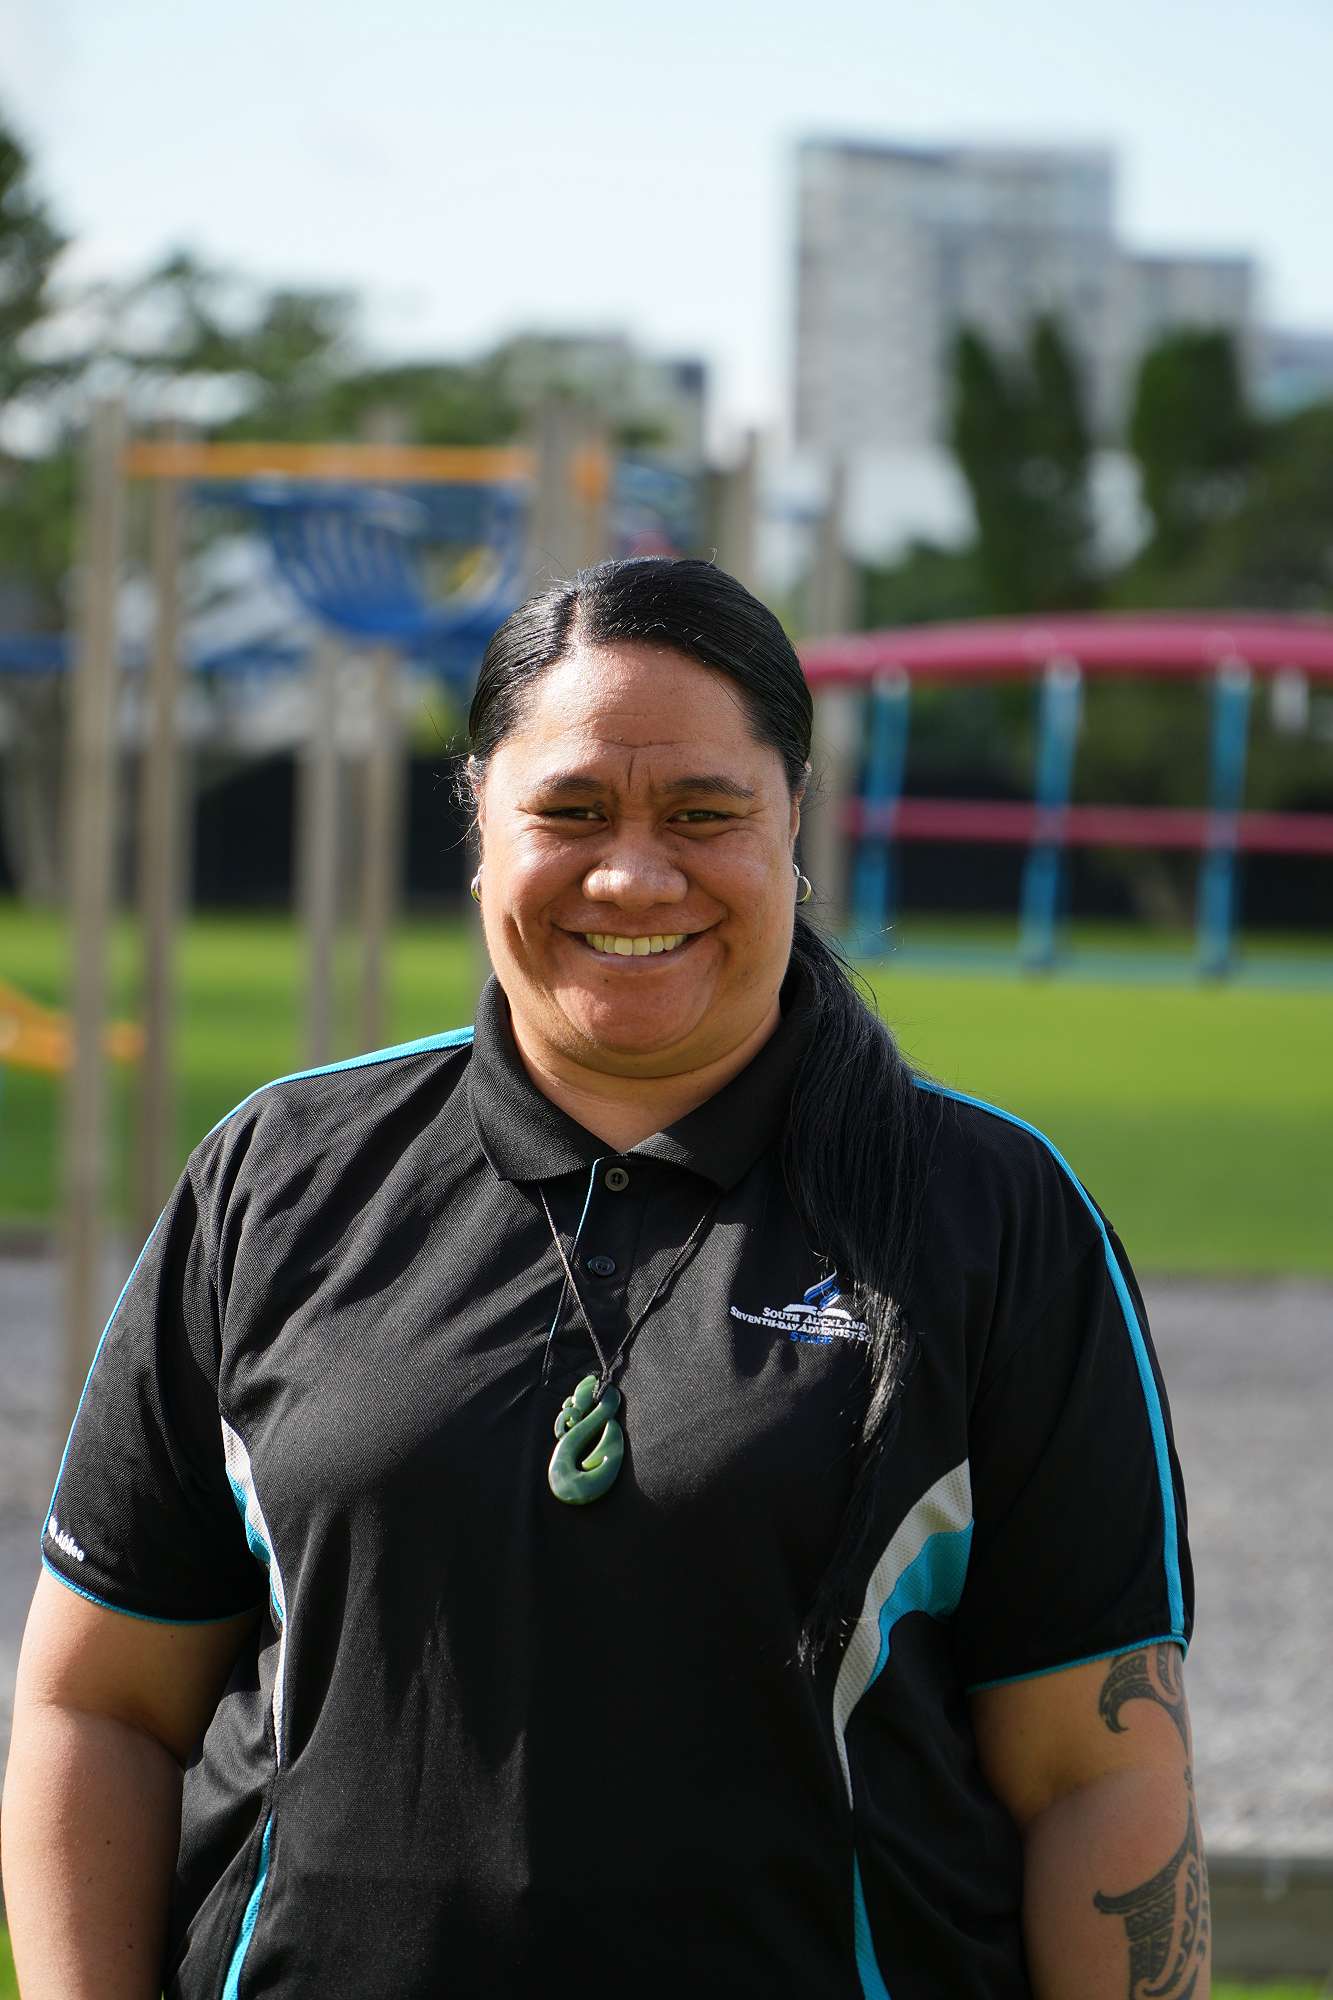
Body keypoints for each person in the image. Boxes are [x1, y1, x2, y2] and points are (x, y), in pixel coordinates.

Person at [2, 558, 1207, 1999]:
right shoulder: (279, 1178)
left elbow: (1095, 1773)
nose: (634, 874)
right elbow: (100, 1705)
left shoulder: (990, 1215)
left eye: (703, 813)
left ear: (794, 822)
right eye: (569, 812)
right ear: (479, 823)